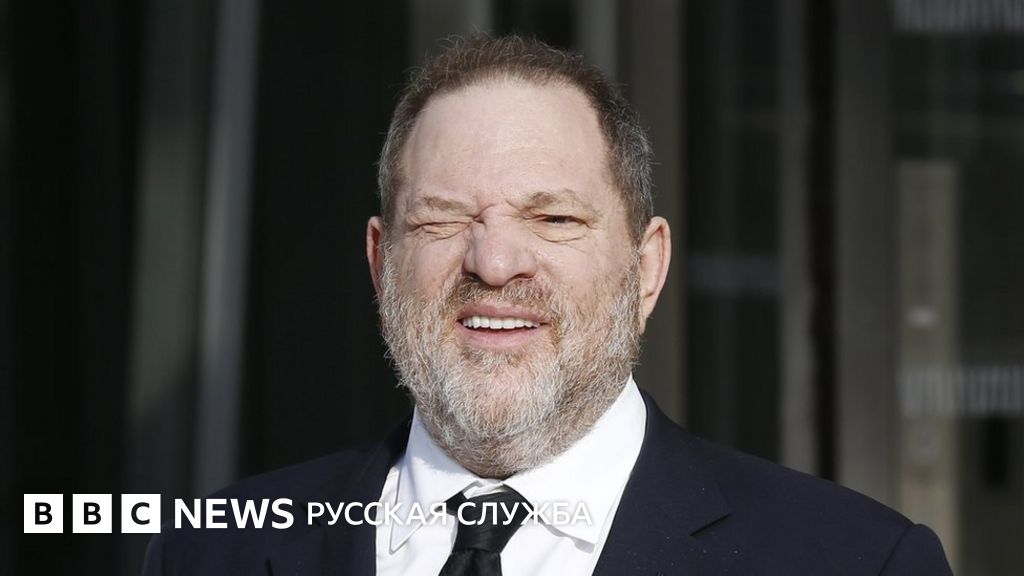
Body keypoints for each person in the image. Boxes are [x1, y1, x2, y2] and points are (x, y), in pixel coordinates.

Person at [143, 34, 953, 575]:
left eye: (554, 218)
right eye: (442, 219)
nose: (494, 263)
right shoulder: (207, 552)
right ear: (381, 263)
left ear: (646, 268)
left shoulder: (855, 563)